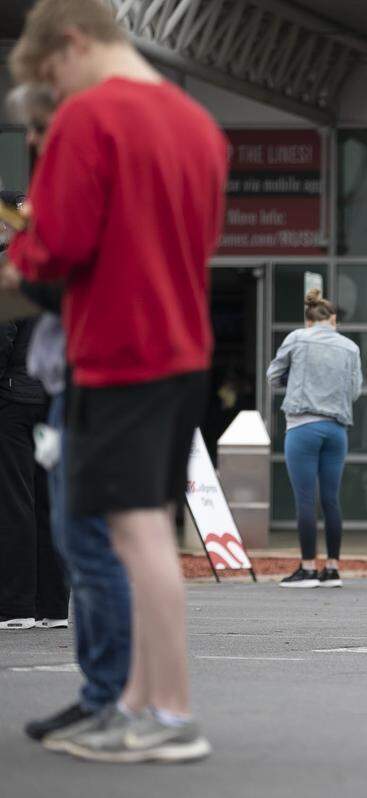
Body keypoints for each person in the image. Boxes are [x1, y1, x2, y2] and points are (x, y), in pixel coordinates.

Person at [2, 0, 228, 763]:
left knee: (131, 539)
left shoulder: (89, 118)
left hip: (117, 353)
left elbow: (53, 250)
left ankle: (166, 715)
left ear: (69, 45)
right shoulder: (196, 124)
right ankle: (140, 703)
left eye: (49, 77)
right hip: (180, 350)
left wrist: (22, 254)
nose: (54, 94)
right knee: (145, 533)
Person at [3, 83, 133, 748]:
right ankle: (101, 691)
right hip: (61, 391)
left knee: (81, 535)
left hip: (81, 391)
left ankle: (113, 700)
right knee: (75, 534)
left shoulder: (81, 203)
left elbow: (50, 288)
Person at [267, 288, 362, 589]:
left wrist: (292, 379)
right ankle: (332, 569)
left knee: (305, 500)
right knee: (331, 500)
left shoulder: (297, 338)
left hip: (303, 427)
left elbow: (272, 375)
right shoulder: (350, 347)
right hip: (336, 430)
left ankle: (308, 568)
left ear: (309, 321)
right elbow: (355, 390)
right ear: (332, 319)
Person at [0, 316, 64, 630]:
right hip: (53, 402)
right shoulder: (59, 273)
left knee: (14, 502)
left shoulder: (12, 270)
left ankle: (16, 607)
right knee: (48, 502)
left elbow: (4, 332)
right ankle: (53, 608)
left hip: (14, 401)